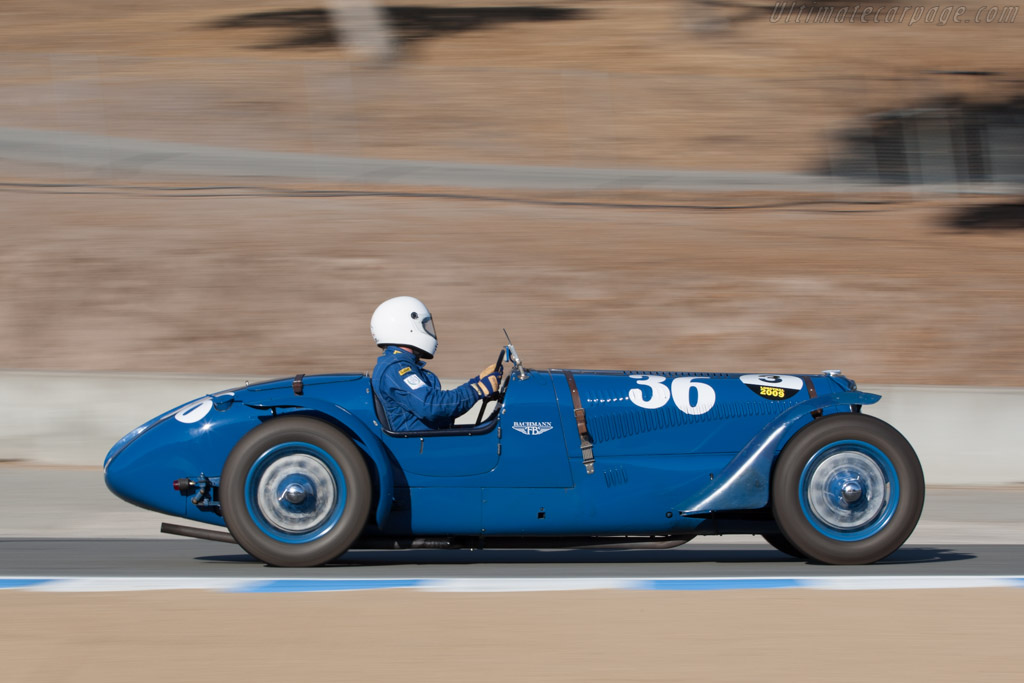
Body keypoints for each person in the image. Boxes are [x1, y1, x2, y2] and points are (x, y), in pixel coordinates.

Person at [370, 296, 502, 431]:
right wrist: (477, 390)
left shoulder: (399, 365)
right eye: (424, 325)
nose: (428, 330)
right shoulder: (396, 368)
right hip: (421, 447)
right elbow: (432, 405)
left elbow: (438, 401)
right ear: (405, 327)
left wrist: (477, 382)